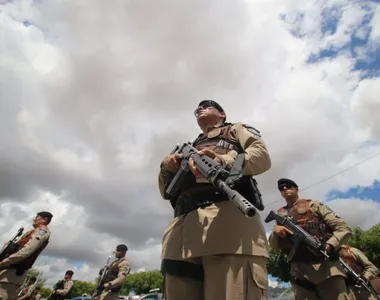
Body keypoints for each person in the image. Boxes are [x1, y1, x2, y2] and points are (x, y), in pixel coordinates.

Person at [159, 100, 272, 299]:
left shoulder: (235, 130)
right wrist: (166, 166)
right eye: (197, 109)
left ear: (222, 114)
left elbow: (261, 156)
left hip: (227, 223)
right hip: (180, 231)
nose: (200, 109)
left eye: (207, 105)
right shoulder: (189, 147)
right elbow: (166, 192)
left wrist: (222, 160)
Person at [268, 178, 352, 300]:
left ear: (296, 189)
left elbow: (343, 228)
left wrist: (330, 245)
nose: (285, 189)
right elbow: (275, 246)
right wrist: (276, 232)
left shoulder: (314, 205)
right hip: (299, 273)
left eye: (288, 186)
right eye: (281, 188)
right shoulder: (280, 214)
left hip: (326, 267)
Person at [0, 211, 52, 300]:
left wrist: (3, 263)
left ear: (45, 219)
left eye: (37, 217)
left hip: (12, 274)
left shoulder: (42, 232)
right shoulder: (31, 232)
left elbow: (26, 251)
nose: (34, 219)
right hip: (7, 271)